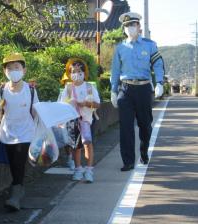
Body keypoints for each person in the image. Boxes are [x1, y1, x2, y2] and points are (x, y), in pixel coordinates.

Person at [110, 12, 165, 171]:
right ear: (124, 29)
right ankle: (128, 161)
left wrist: (159, 82)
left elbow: (158, 64)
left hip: (143, 89)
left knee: (145, 125)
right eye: (127, 26)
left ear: (139, 27)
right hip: (125, 89)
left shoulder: (150, 45)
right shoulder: (120, 48)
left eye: (133, 25)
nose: (130, 28)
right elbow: (115, 71)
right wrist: (114, 91)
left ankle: (144, 151)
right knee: (125, 127)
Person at [0, 52, 39, 210]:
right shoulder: (2, 90)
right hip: (8, 133)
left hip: (26, 132)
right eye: (9, 68)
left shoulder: (31, 90)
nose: (13, 70)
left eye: (17, 67)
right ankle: (17, 189)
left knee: (18, 163)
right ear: (5, 71)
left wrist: (43, 130)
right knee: (13, 164)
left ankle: (15, 195)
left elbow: (36, 111)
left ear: (24, 70)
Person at [60, 58, 100, 183]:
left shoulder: (89, 87)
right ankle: (78, 169)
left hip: (87, 120)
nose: (76, 74)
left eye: (79, 71)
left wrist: (87, 104)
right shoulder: (68, 88)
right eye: (73, 71)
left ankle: (88, 170)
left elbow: (98, 104)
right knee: (76, 146)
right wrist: (69, 103)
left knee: (88, 143)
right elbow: (61, 104)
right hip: (72, 121)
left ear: (84, 72)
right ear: (69, 73)